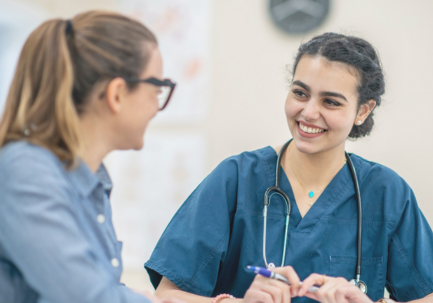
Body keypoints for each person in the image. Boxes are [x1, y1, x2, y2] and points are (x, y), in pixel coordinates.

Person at [144, 33, 433, 303]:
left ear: (362, 111)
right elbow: (167, 295)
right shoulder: (236, 179)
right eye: (300, 93)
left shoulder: (386, 193)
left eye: (330, 102)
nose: (308, 112)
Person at [0, 11, 180, 303]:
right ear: (117, 94)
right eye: (157, 89)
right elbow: (86, 296)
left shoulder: (91, 181)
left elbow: (101, 287)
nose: (155, 107)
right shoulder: (26, 172)